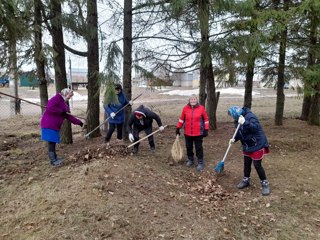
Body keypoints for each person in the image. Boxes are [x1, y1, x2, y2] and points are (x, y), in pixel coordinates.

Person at [228, 106, 270, 196]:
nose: (232, 118)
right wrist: (234, 139)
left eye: (232, 116)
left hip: (257, 143)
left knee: (257, 165)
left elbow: (255, 127)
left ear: (236, 114)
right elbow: (239, 133)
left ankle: (265, 184)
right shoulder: (237, 120)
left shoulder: (250, 116)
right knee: (246, 163)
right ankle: (246, 180)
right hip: (247, 145)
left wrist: (245, 122)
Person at [41, 88, 83, 166]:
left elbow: (68, 116)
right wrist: (61, 111)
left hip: (54, 125)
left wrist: (80, 123)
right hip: (49, 124)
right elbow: (49, 107)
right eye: (70, 96)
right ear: (65, 93)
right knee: (51, 142)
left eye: (71, 96)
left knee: (52, 141)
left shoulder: (64, 103)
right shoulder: (56, 98)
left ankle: (55, 158)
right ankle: (53, 161)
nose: (70, 98)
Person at [176, 95, 209, 172]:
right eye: (191, 99)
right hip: (187, 133)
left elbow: (206, 119)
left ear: (196, 100)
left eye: (194, 99)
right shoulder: (185, 108)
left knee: (198, 148)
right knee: (188, 147)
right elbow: (181, 119)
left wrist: (206, 129)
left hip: (198, 133)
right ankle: (190, 159)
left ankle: (200, 162)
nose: (193, 101)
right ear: (189, 100)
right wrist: (178, 128)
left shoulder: (201, 108)